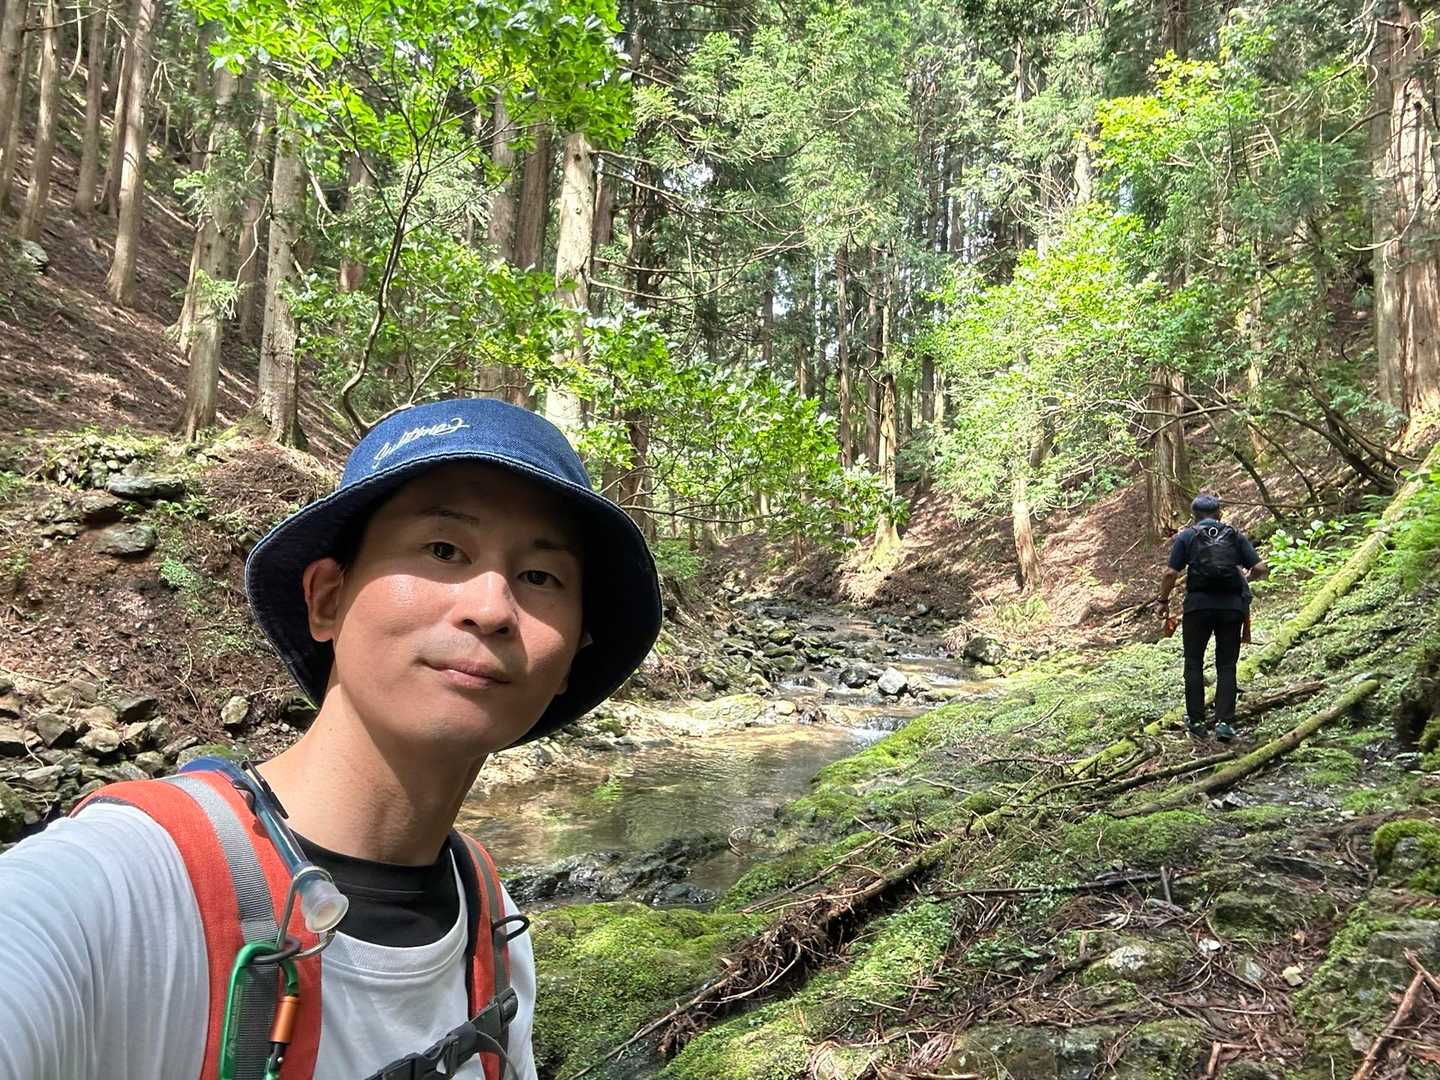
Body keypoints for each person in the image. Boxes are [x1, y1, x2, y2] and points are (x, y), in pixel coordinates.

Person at [0, 398, 662, 1080]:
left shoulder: (495, 931)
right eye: (443, 550)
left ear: (570, 657)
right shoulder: (113, 890)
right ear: (327, 600)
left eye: (540, 578)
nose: (492, 609)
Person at [1158, 493, 1266, 742]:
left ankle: (1197, 722)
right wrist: (1244, 580)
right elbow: (1260, 568)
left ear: (1194, 516)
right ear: (1219, 514)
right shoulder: (1234, 535)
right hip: (1231, 608)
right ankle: (1224, 723)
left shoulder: (1187, 536)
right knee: (1226, 665)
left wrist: (1162, 601)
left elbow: (1170, 574)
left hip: (1198, 608)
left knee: (1193, 662)